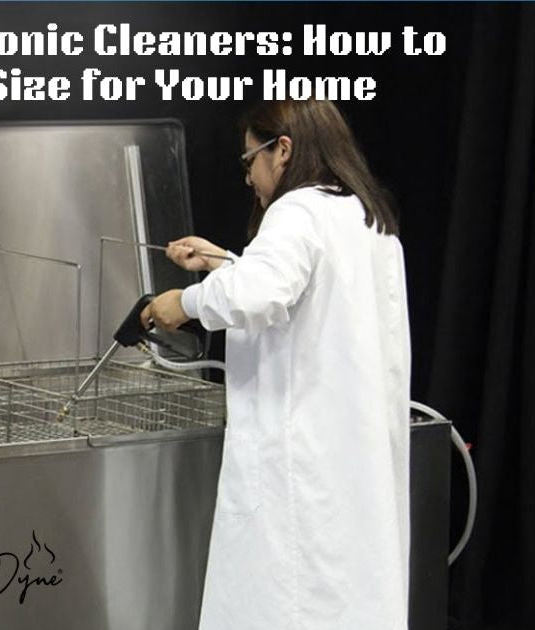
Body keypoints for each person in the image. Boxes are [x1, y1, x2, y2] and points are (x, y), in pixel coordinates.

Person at [142, 100, 410, 630]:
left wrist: (184, 303)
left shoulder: (298, 210)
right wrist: (224, 262)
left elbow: (259, 295)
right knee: (349, 600)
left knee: (288, 601)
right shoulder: (365, 217)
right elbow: (297, 297)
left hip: (299, 464)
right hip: (351, 462)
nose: (248, 177)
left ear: (282, 150)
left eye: (250, 161)